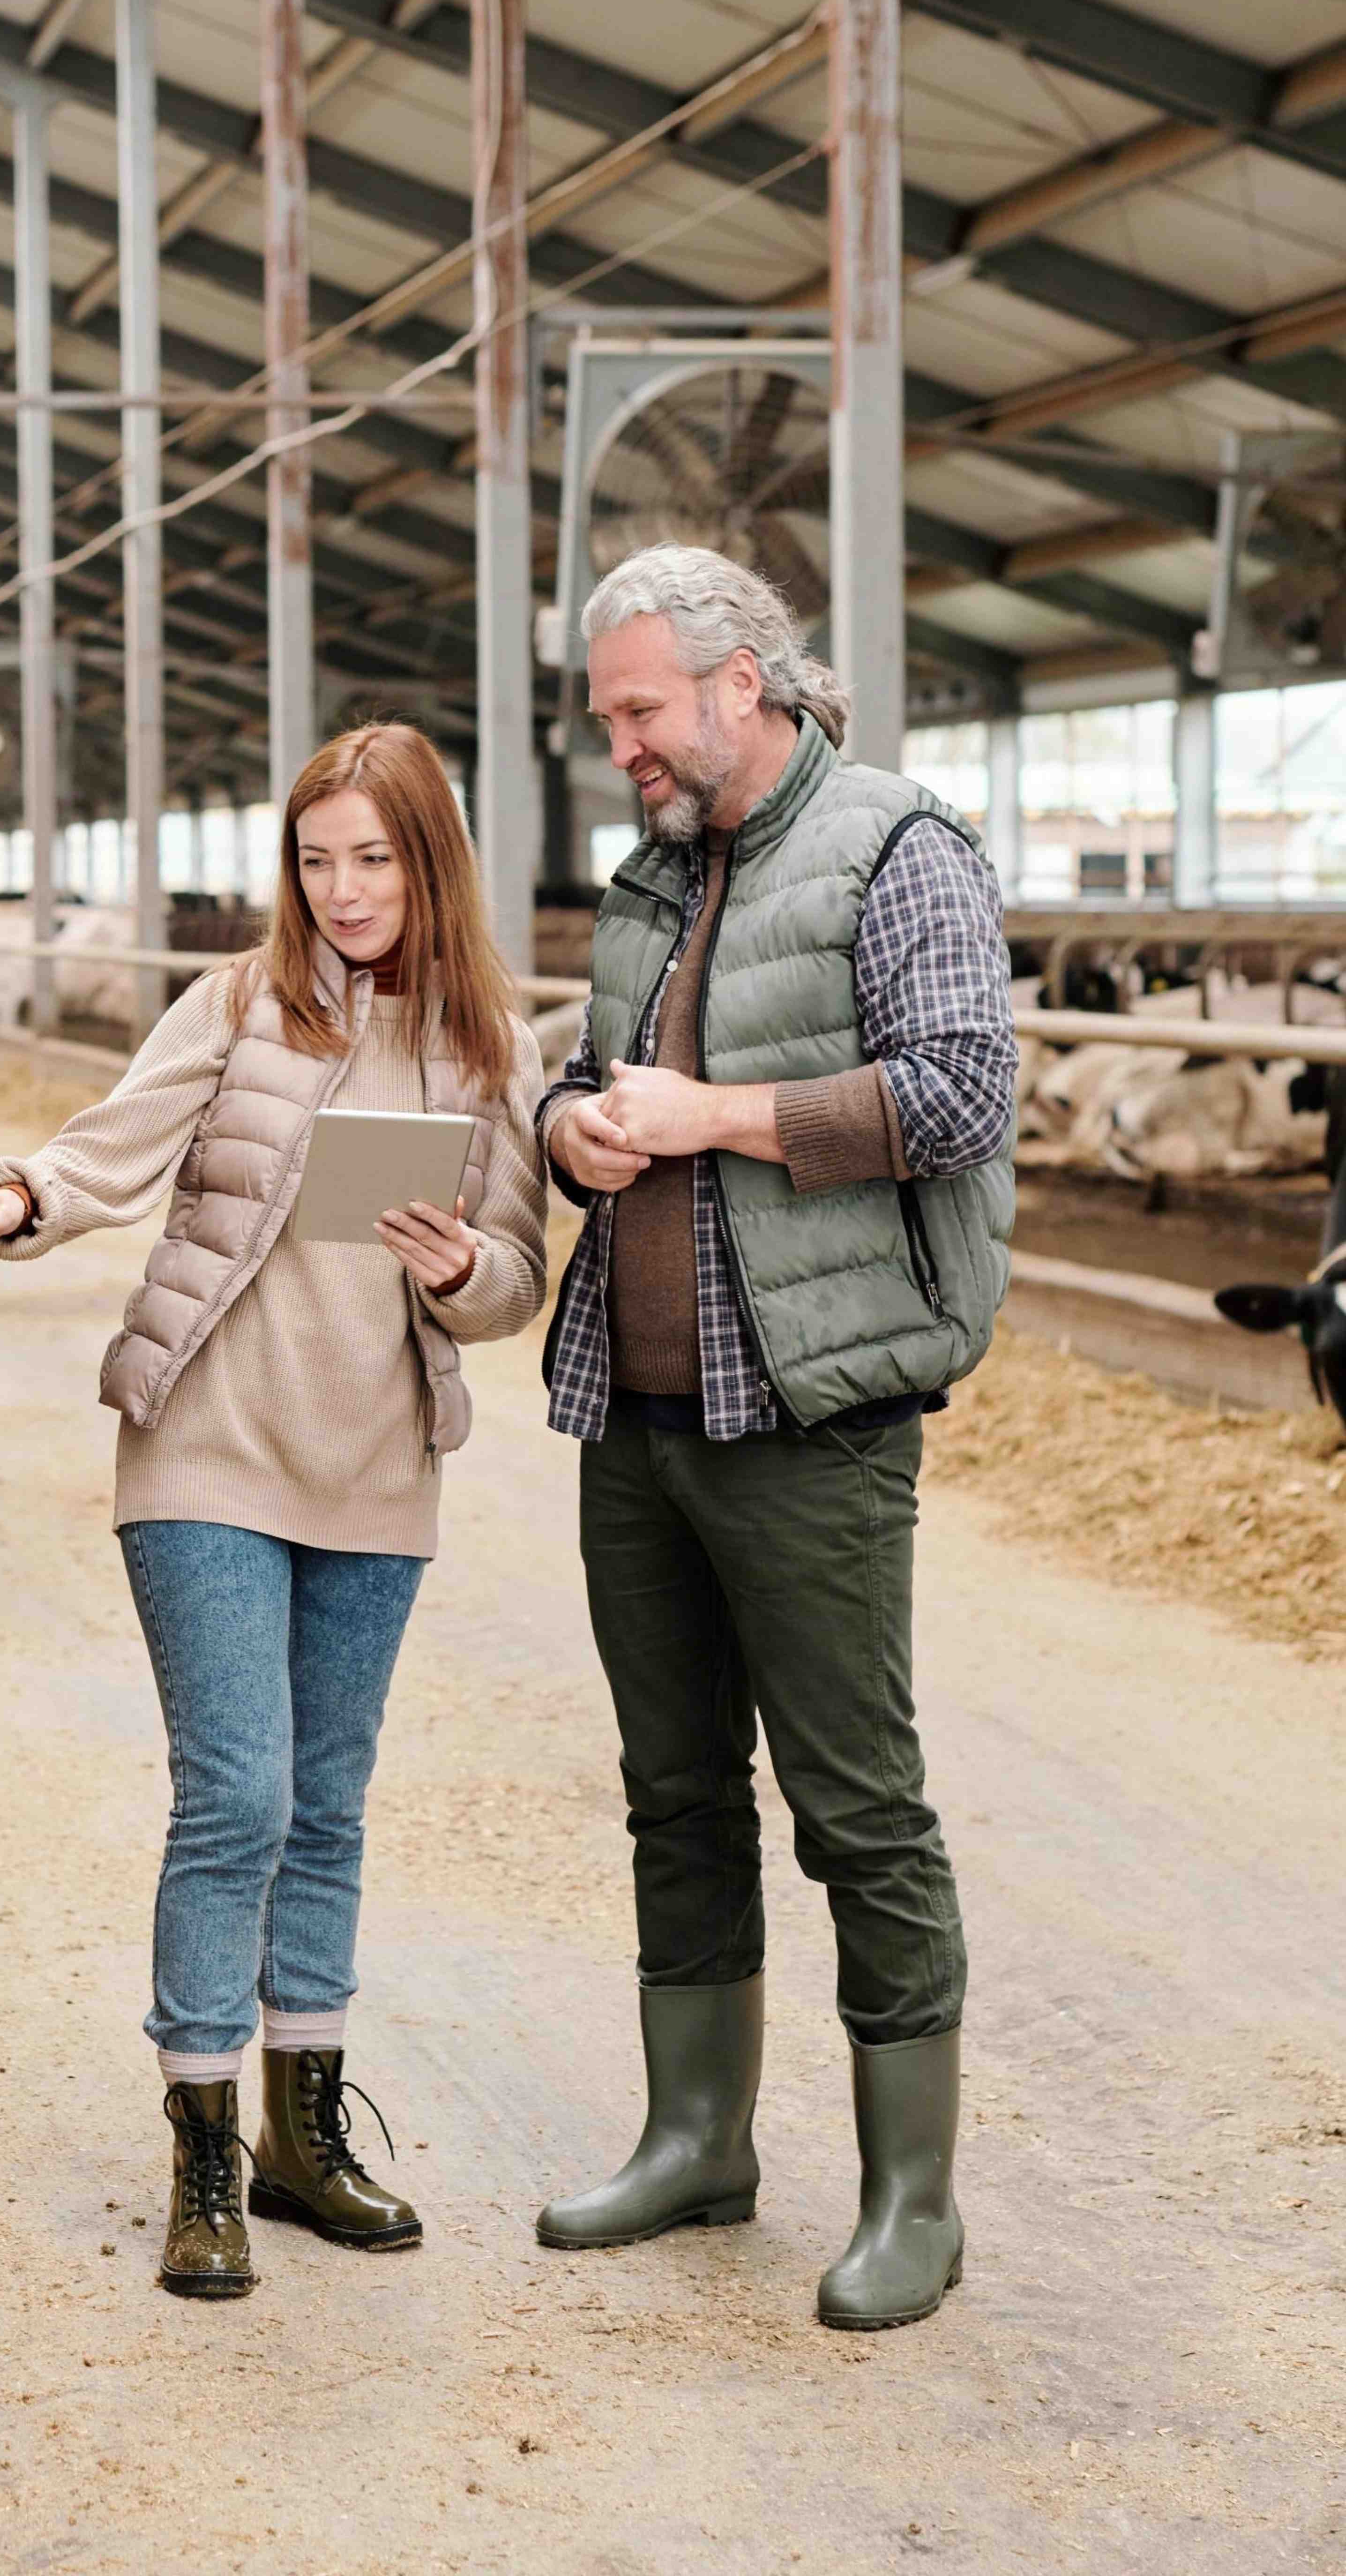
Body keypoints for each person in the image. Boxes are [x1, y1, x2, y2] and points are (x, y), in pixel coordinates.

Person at [0, 725, 548, 2299]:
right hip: (208, 1446)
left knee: (327, 1804)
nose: (342, 891)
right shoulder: (242, 1005)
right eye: (317, 860)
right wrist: (17, 1201)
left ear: (431, 860)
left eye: (374, 859)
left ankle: (302, 2139)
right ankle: (200, 2148)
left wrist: (465, 1273)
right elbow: (108, 1151)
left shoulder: (492, 1050)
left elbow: (520, 1273)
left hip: (378, 1464)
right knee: (240, 1796)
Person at [532, 545, 1016, 2330]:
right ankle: (697, 2139)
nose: (625, 750)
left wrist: (716, 1114)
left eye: (643, 712)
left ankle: (915, 2202)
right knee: (675, 1793)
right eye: (609, 720)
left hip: (811, 1413)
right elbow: (592, 1077)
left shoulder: (902, 849)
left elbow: (962, 1090)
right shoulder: (648, 881)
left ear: (743, 682)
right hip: (639, 1410)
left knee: (856, 1807)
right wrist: (568, 1122)